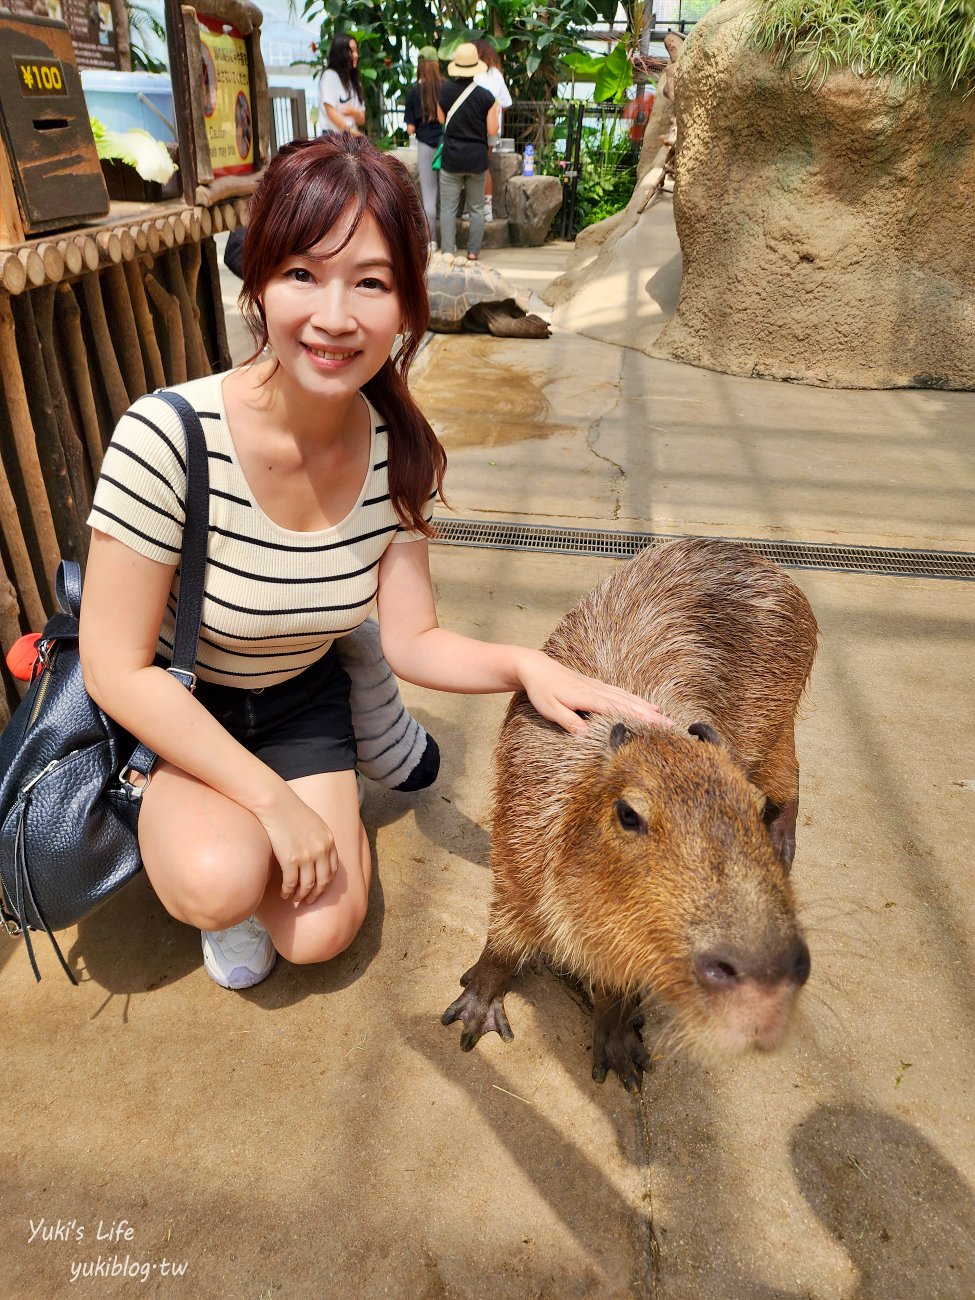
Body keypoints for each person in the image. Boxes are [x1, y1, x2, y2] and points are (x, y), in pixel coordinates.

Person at [79, 135, 669, 993]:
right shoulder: (167, 437)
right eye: (302, 275)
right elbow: (113, 664)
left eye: (371, 282)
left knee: (320, 934)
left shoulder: (398, 447)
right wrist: (273, 804)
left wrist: (525, 666)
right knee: (220, 882)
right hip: (183, 701)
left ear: (406, 305)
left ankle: (289, 821)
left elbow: (412, 637)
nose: (334, 316)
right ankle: (223, 848)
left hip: (302, 698)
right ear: (259, 286)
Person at [437, 42, 497, 262]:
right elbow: (492, 130)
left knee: (448, 209)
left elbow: (440, 120)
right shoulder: (486, 96)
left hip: (451, 158)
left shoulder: (444, 91)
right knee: (477, 209)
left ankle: (448, 252)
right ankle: (473, 251)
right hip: (476, 159)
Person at [403, 46, 443, 248]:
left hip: (425, 146)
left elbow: (410, 129)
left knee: (429, 195)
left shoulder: (413, 92)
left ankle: (431, 241)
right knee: (448, 196)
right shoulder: (446, 88)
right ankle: (449, 242)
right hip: (446, 147)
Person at [473, 39, 512, 224]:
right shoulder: (495, 74)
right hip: (492, 130)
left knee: (474, 169)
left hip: (472, 128)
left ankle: (476, 209)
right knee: (484, 166)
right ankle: (486, 209)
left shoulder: (474, 74)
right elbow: (506, 103)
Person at [319, 33, 365, 135]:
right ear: (341, 53)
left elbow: (362, 119)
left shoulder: (354, 81)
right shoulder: (330, 75)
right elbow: (330, 111)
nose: (356, 55)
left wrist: (354, 112)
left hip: (349, 139)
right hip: (333, 138)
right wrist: (352, 133)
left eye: (356, 50)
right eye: (352, 51)